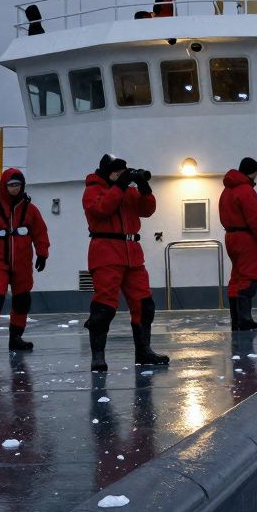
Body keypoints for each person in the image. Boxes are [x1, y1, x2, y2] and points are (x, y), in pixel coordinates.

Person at [82, 154, 169, 372]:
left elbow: (147, 210)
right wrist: (120, 187)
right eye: (115, 171)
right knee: (104, 306)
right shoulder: (93, 190)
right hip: (106, 252)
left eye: (122, 171)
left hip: (132, 253)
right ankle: (98, 356)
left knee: (144, 304)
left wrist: (144, 187)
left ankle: (144, 351)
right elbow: (101, 210)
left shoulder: (127, 191)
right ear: (105, 171)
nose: (120, 175)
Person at [0, 168, 50, 355]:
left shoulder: (30, 210)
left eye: (18, 185)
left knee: (22, 300)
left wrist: (42, 253)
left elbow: (40, 232)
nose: (15, 188)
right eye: (11, 185)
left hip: (22, 264)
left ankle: (16, 338)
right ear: (5, 187)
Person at [219, 157, 257, 330]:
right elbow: (255, 217)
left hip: (230, 237)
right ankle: (245, 320)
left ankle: (236, 320)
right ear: (252, 171)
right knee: (248, 277)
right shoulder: (246, 190)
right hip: (245, 238)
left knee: (236, 278)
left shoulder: (226, 191)